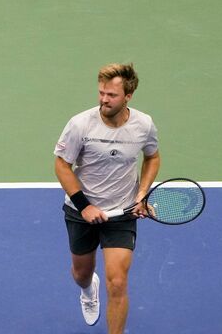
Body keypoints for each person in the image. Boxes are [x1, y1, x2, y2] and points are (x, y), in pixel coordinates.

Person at [53, 63, 160, 334]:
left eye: (111, 95)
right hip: (81, 211)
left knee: (118, 282)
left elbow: (152, 156)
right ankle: (89, 290)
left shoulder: (143, 125)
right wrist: (85, 206)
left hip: (122, 213)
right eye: (101, 92)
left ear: (128, 96)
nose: (103, 99)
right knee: (81, 274)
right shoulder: (80, 124)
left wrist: (142, 193)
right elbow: (61, 165)